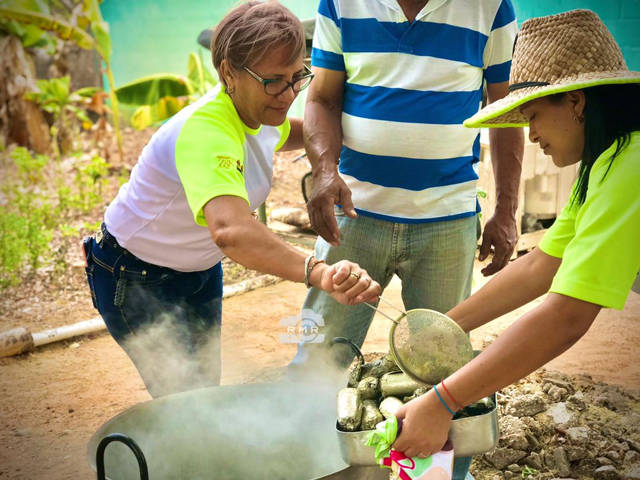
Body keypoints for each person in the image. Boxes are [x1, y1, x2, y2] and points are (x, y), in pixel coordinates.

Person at [83, 1, 381, 398]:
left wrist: (337, 149)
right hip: (136, 275)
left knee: (204, 389)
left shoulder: (253, 110)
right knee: (184, 404)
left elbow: (293, 132)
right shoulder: (207, 130)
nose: (289, 93)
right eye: (274, 80)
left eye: (298, 77)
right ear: (229, 73)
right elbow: (231, 231)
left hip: (199, 269)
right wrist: (319, 272)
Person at [393, 9, 640, 461]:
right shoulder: (607, 163)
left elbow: (567, 316)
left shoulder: (632, 166)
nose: (531, 137)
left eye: (533, 117)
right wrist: (443, 330)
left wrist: (443, 401)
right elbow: (541, 265)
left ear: (577, 103)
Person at [293, 1, 523, 477]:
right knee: (322, 357)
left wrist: (505, 210)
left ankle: (436, 475)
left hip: (448, 220)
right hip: (353, 217)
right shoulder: (340, 3)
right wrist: (323, 170)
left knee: (443, 365)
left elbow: (505, 112)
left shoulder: (491, 8)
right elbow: (321, 98)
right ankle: (316, 468)